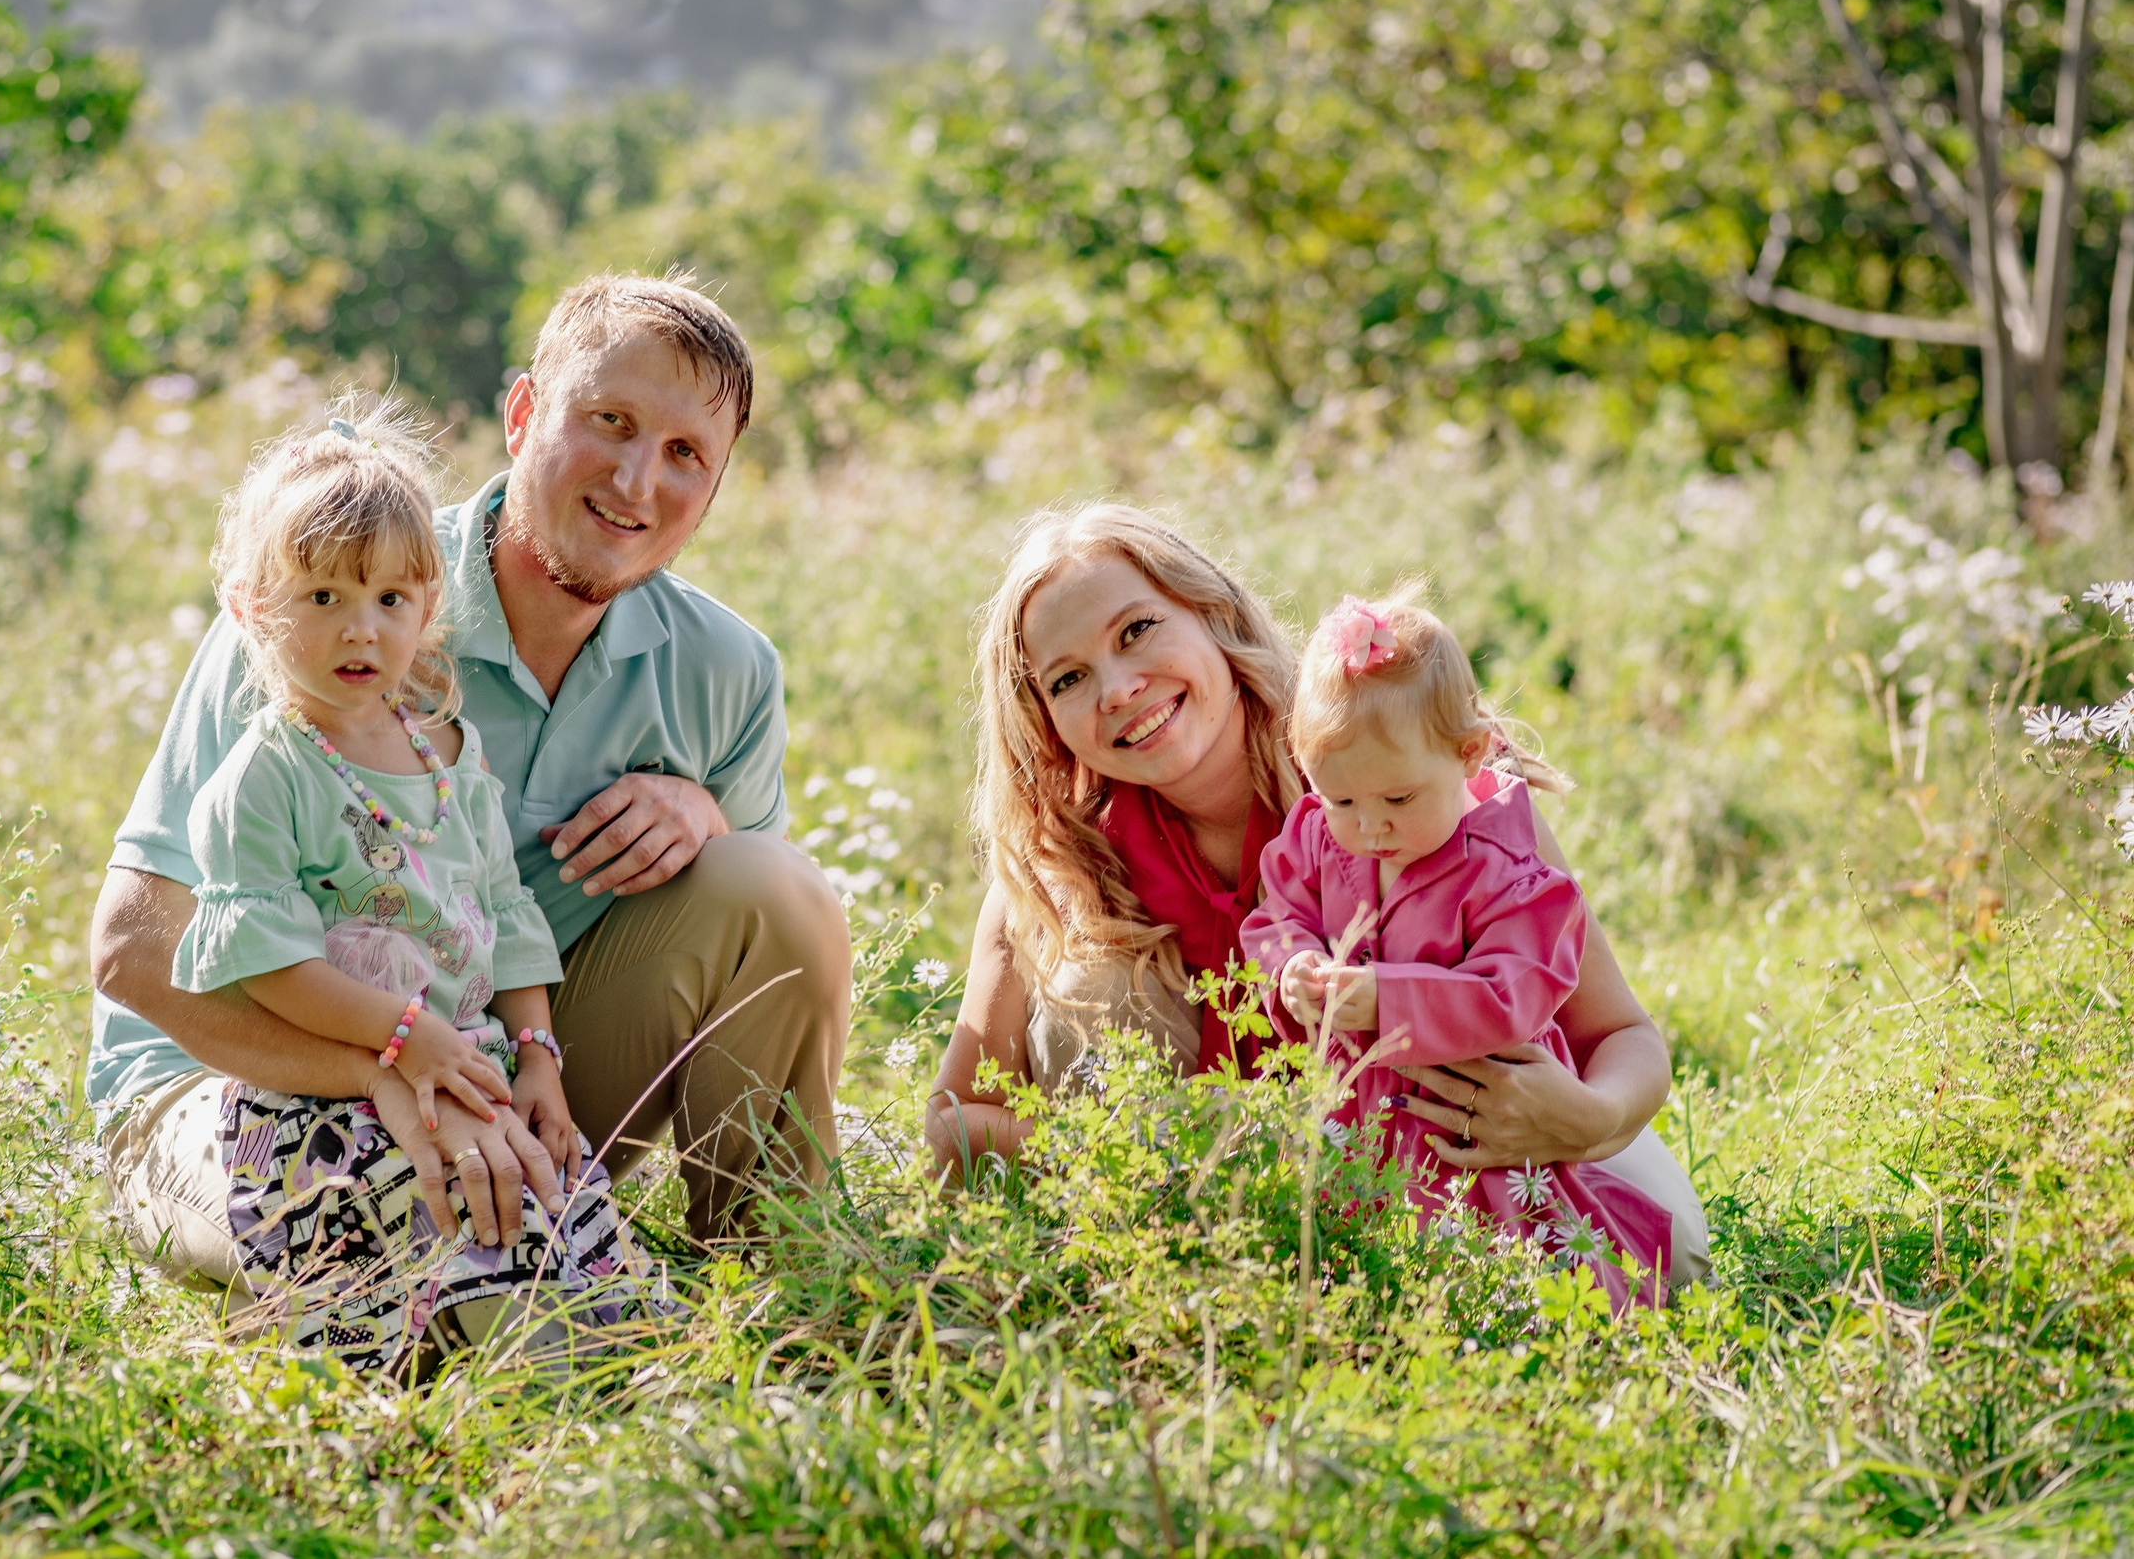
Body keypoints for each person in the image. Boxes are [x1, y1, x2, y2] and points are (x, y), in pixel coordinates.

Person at [90, 275, 852, 1296]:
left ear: (717, 485)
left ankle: (777, 1291)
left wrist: (705, 820)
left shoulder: (726, 670)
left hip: (499, 1065)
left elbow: (763, 975)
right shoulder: (337, 592)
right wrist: (390, 1067)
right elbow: (134, 946)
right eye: (609, 421)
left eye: (684, 454)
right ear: (523, 413)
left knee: (774, 885)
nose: (636, 480)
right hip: (236, 1084)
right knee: (408, 1238)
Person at [924, 505, 1710, 1289]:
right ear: (1046, 719)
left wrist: (1591, 1116)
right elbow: (954, 1119)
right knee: (1090, 974)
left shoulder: (1404, 769)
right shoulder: (1061, 866)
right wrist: (1147, 1145)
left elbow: (1623, 1033)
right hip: (1219, 1219)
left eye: (1136, 631)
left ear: (1212, 613)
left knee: (1679, 1257)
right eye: (1068, 678)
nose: (1119, 687)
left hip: (1474, 1151)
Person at [169, 399, 647, 1366]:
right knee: (435, 1264)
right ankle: (449, 1360)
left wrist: (539, 1055)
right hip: (322, 1097)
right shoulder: (266, 776)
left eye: (390, 600)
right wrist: (401, 1037)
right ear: (252, 609)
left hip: (467, 1064)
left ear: (430, 609)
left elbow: (505, 913)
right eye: (323, 599)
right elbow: (269, 961)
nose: (362, 629)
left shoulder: (449, 758)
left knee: (574, 1239)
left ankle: (609, 1354)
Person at [1241, 589, 1671, 1302]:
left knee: (1514, 1270)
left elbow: (1514, 992)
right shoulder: (1319, 837)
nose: (1371, 827)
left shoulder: (1503, 870)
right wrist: (1292, 966)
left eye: (1399, 800)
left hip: (1479, 1133)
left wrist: (1389, 999)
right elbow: (1275, 916)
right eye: (1343, 800)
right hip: (1359, 1123)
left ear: (1469, 753)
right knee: (1357, 1270)